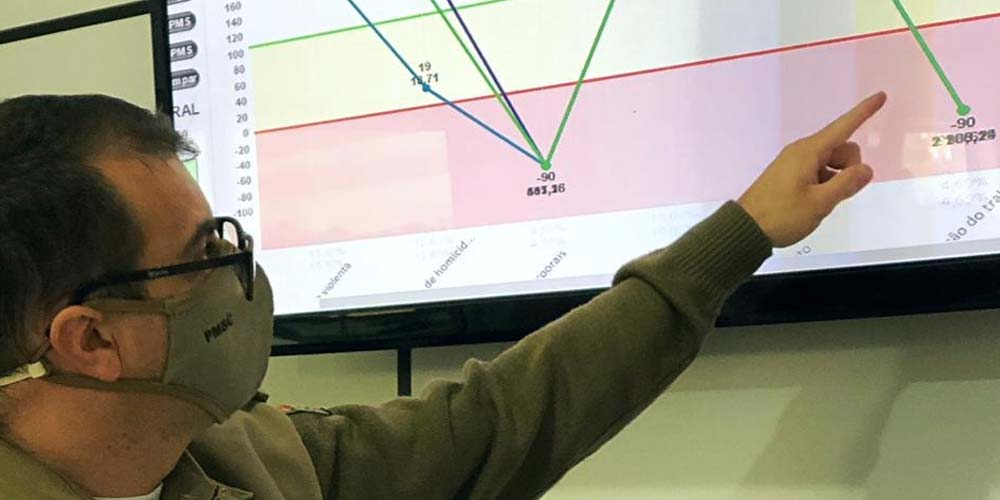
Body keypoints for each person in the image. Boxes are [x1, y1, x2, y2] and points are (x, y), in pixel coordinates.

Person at [0, 91, 886, 500]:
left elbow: (502, 420)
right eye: (202, 254)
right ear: (91, 340)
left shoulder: (246, 460)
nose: (238, 272)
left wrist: (742, 233)